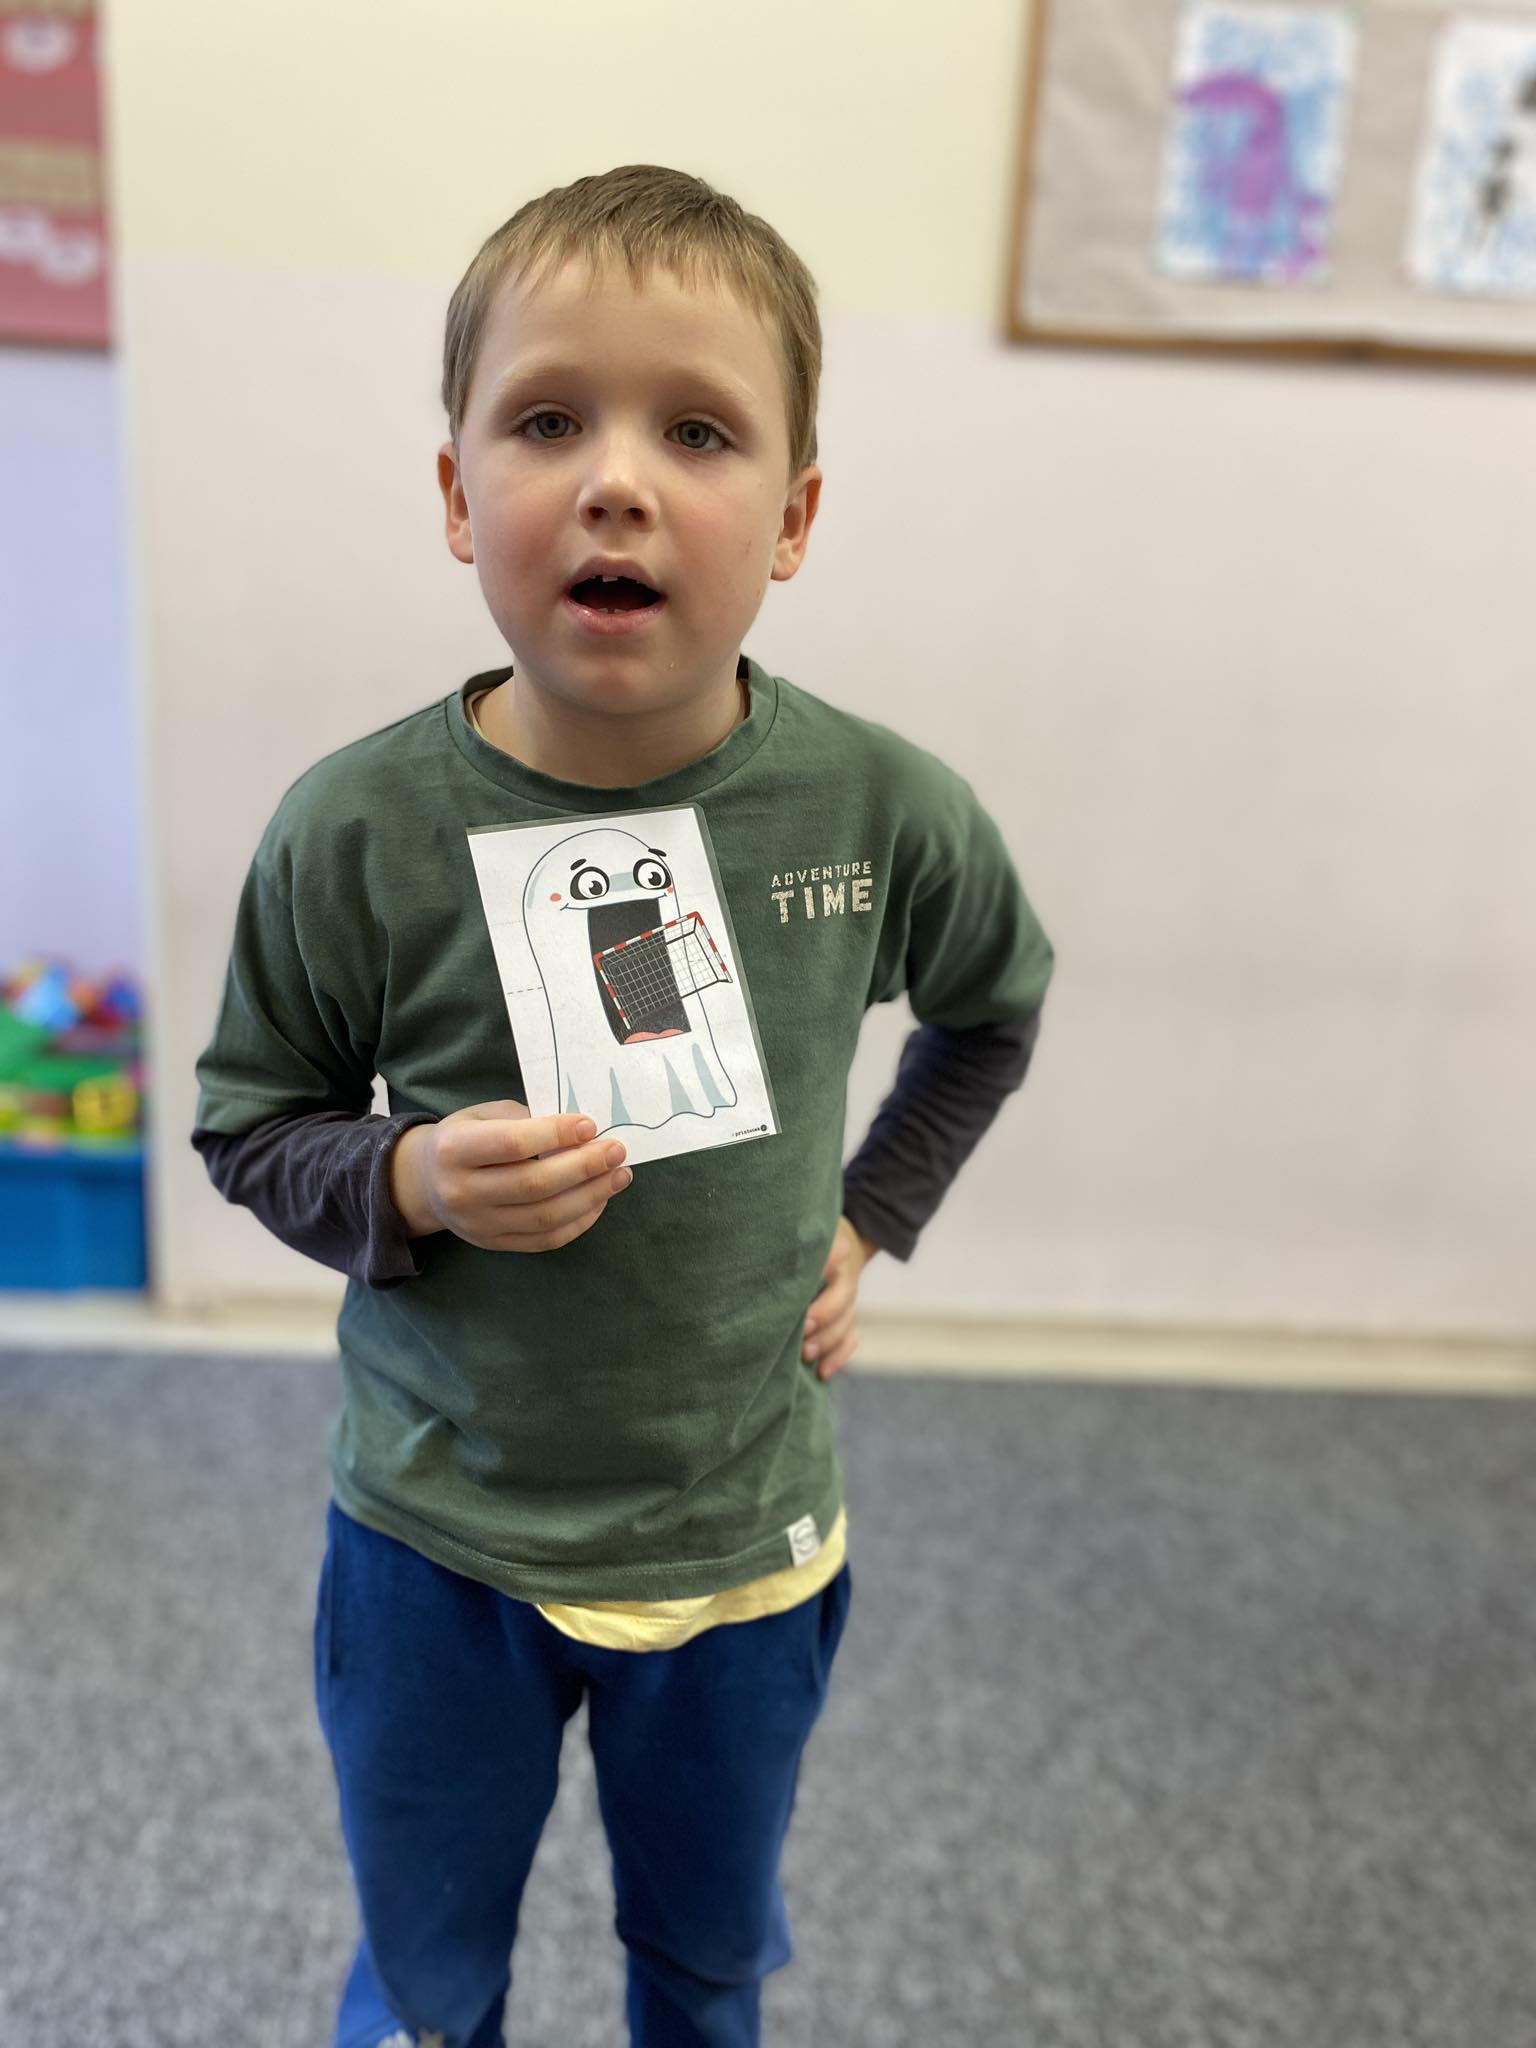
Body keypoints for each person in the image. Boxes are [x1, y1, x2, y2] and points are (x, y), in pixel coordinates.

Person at [192, 163, 1055, 2048]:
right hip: (436, 1538)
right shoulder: (353, 831)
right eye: (547, 421)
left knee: (708, 1962)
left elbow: (992, 1010)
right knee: (426, 1974)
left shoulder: (883, 812)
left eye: (699, 431)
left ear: (795, 517)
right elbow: (252, 1124)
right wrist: (412, 1177)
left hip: (740, 1543)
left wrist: (868, 1217)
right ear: (455, 494)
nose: (617, 482)